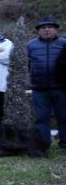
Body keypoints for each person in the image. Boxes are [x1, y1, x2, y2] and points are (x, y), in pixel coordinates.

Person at [27, 17, 66, 149]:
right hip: (39, 89)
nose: (47, 30)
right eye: (43, 28)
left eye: (50, 27)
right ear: (39, 31)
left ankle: (64, 144)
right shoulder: (30, 46)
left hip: (61, 88)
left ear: (55, 29)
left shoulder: (64, 44)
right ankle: (43, 145)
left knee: (64, 118)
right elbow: (25, 66)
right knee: (41, 119)